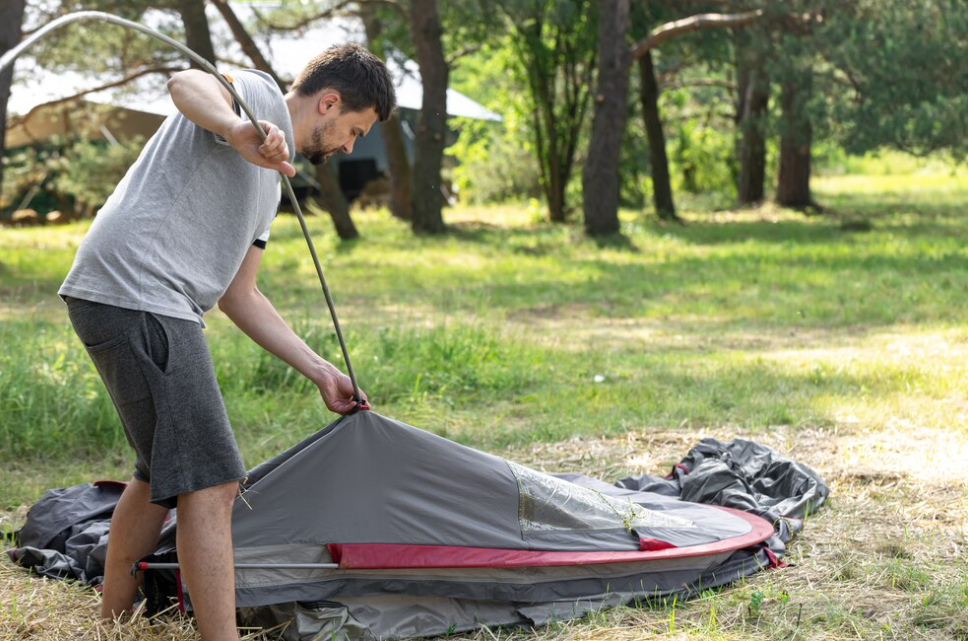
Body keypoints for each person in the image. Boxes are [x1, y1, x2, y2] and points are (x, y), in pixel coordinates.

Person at [58, 45, 396, 640]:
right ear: (329, 102)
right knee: (212, 484)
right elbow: (186, 81)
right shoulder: (260, 98)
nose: (348, 146)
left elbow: (241, 296)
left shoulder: (270, 187)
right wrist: (238, 127)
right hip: (139, 290)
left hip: (127, 295)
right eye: (354, 130)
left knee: (156, 473)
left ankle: (113, 622)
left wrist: (321, 371)